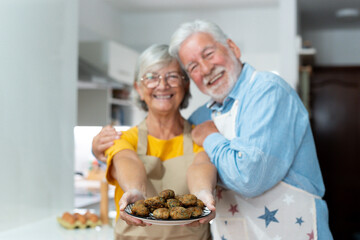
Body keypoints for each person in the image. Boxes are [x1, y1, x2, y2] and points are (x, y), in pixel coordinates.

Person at [93, 20, 333, 239]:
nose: (206, 69)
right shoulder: (204, 117)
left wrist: (210, 146)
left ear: (233, 48)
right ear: (139, 87)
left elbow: (241, 176)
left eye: (209, 54)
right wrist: (111, 164)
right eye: (193, 66)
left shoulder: (267, 91)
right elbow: (126, 160)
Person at [102, 44, 216, 240]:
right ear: (138, 87)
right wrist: (135, 191)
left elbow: (201, 164)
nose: (162, 85)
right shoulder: (124, 139)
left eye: (172, 76)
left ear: (185, 84)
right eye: (151, 77)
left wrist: (203, 193)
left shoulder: (200, 136)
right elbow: (127, 161)